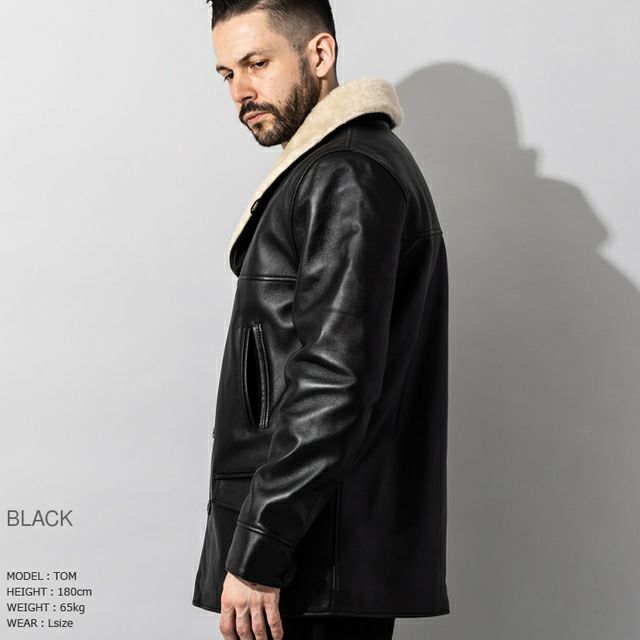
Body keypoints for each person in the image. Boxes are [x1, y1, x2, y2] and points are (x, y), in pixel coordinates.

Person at [192, 1, 451, 638]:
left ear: (320, 55)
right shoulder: (336, 167)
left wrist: (259, 550)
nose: (240, 92)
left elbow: (334, 381)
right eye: (227, 74)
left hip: (310, 562)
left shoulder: (346, 173)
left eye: (257, 63)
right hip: (316, 551)